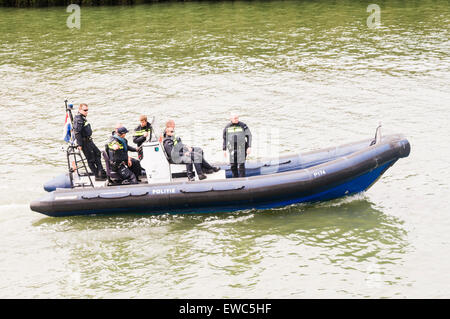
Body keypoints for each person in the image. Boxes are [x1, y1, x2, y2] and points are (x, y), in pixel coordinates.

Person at [73, 103, 107, 181]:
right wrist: (80, 144)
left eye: (87, 110)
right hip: (85, 142)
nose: (86, 112)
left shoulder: (83, 118)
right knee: (91, 159)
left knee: (98, 153)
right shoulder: (78, 119)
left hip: (89, 140)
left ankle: (100, 171)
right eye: (85, 110)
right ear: (80, 110)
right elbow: (77, 132)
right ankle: (97, 175)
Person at [223, 113, 252, 177]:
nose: (237, 119)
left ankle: (242, 180)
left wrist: (249, 147)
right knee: (233, 165)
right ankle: (235, 179)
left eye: (237, 118)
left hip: (242, 147)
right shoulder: (227, 127)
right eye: (235, 118)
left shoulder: (243, 125)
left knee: (241, 164)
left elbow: (249, 136)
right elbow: (225, 139)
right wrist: (224, 149)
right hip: (232, 148)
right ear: (231, 119)